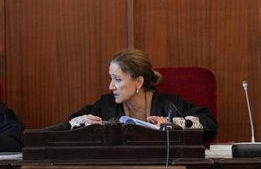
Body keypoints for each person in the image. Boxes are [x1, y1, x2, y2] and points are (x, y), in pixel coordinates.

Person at [67, 48, 218, 143]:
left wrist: (171, 124)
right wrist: (85, 122)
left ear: (138, 82)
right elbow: (69, 124)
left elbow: (209, 124)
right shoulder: (106, 105)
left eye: (117, 79)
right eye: (111, 79)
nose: (111, 86)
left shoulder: (168, 104)